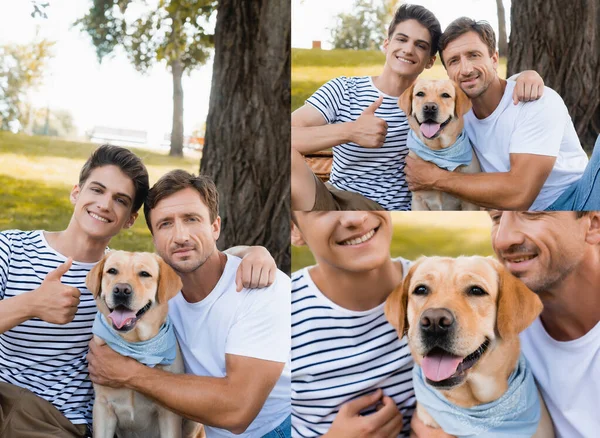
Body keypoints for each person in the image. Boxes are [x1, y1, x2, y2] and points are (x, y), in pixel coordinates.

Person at [0, 148, 276, 438]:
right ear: (76, 193)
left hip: (56, 420)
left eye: (120, 200)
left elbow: (202, 263)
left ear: (130, 219)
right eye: (97, 190)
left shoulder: (130, 276)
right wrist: (29, 303)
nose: (105, 205)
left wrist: (255, 252)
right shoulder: (10, 248)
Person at [86, 170, 291, 438]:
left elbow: (237, 412)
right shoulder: (155, 292)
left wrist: (129, 374)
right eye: (165, 224)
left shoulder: (262, 288)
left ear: (215, 227)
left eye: (192, 220)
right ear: (154, 239)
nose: (181, 236)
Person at [291, 5, 541, 212]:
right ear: (386, 44)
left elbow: (485, 89)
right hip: (336, 203)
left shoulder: (439, 110)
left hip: (396, 214)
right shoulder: (343, 90)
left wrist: (526, 76)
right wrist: (349, 131)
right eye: (401, 39)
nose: (408, 49)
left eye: (420, 45)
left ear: (431, 60)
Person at [405, 18, 600, 211]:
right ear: (448, 72)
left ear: (494, 59)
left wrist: (435, 179)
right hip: (522, 220)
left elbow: (519, 193)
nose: (466, 69)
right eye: (454, 61)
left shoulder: (536, 101)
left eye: (474, 55)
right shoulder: (454, 116)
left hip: (578, 201)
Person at [291, 211, 411, 437]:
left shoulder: (446, 294)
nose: (354, 217)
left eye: (360, 195)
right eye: (322, 207)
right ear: (293, 229)